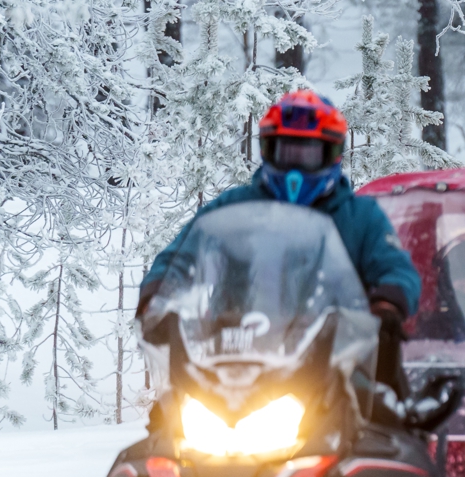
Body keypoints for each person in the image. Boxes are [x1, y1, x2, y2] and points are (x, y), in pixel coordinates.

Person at [137, 90, 422, 396]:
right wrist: (158, 295)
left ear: (332, 153)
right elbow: (182, 255)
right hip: (232, 360)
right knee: (166, 431)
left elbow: (395, 267)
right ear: (267, 149)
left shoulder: (360, 216)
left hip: (334, 364)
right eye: (286, 152)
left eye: (309, 154)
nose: (296, 168)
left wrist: (388, 303)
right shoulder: (232, 209)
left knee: (388, 423)